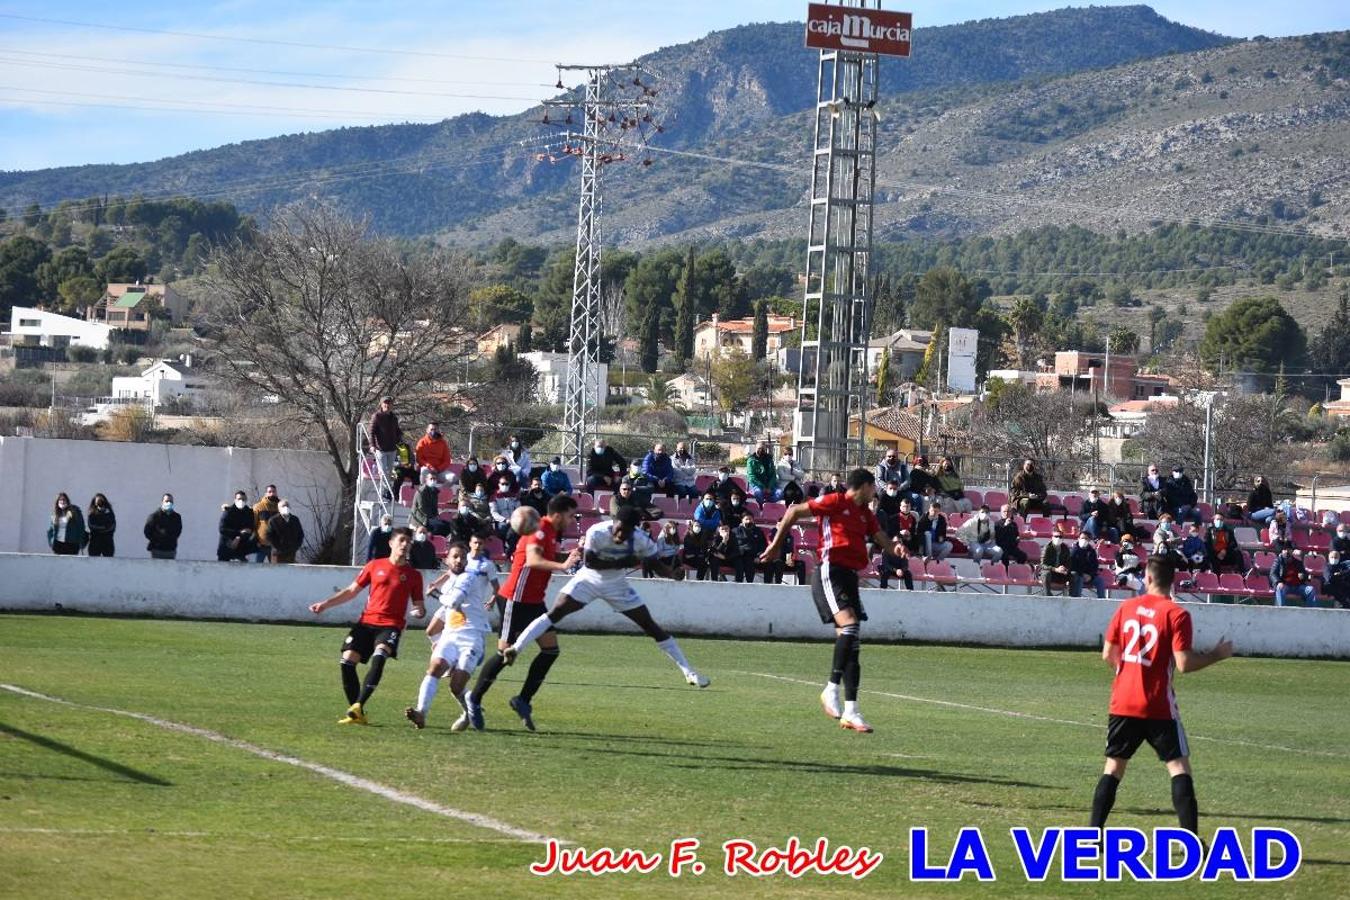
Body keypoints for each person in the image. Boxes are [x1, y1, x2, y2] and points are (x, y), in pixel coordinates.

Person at [1088, 558, 1233, 839]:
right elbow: (1184, 664)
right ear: (1172, 582)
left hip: (1123, 702)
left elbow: (1108, 654)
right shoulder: (1177, 614)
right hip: (1158, 706)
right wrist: (1217, 654)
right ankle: (1190, 841)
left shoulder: (1125, 608)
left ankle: (1093, 837)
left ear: (1148, 578)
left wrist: (1127, 672)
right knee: (1178, 767)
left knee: (1114, 767)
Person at [759, 469, 906, 734]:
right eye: (873, 488)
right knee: (849, 627)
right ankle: (830, 689)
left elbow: (880, 537)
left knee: (853, 643)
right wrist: (777, 546)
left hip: (849, 576)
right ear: (863, 486)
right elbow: (793, 512)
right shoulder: (836, 501)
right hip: (830, 570)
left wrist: (893, 547)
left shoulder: (865, 514)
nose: (876, 493)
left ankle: (851, 711)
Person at [500, 507, 709, 691]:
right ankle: (515, 649)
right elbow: (590, 563)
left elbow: (656, 565)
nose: (619, 534)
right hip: (588, 580)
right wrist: (626, 561)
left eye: (625, 532)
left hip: (616, 586)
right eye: (618, 528)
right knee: (556, 613)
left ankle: (689, 672)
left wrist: (672, 574)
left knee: (650, 625)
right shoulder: (597, 531)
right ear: (614, 522)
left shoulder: (641, 540)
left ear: (634, 530)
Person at [466, 499, 581, 731]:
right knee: (504, 654)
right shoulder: (539, 530)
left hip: (534, 601)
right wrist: (564, 565)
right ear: (557, 514)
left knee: (551, 651)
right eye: (570, 516)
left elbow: (544, 555)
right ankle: (474, 699)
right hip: (515, 600)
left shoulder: (547, 532)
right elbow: (533, 560)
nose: (571, 521)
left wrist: (566, 555)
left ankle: (523, 700)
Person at [310, 526, 425, 725]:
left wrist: (420, 612)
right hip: (366, 622)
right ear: (391, 543)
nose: (405, 545)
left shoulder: (414, 575)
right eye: (402, 541)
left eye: (408, 541)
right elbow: (352, 591)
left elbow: (419, 606)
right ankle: (358, 712)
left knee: (380, 657)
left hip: (391, 625)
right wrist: (325, 604)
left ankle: (357, 705)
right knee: (346, 662)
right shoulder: (374, 565)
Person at [404, 543, 491, 731]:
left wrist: (434, 593)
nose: (459, 560)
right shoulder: (449, 581)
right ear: (446, 560)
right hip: (450, 635)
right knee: (434, 667)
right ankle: (421, 712)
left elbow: (453, 601)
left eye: (462, 557)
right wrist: (435, 641)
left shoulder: (469, 577)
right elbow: (446, 611)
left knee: (456, 685)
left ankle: (469, 710)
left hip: (472, 636)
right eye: (455, 556)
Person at [369, 397, 402, 498]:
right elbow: (371, 432)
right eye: (385, 403)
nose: (387, 405)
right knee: (383, 472)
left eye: (389, 403)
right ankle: (385, 492)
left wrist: (399, 441)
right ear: (381, 404)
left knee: (389, 472)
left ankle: (385, 493)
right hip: (380, 449)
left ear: (392, 405)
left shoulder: (394, 418)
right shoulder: (377, 416)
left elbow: (397, 431)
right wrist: (372, 445)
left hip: (392, 449)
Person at [217, 491, 258, 562]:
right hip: (226, 547)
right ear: (235, 500)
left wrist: (239, 537)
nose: (241, 501)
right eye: (239, 499)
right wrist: (238, 533)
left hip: (241, 549)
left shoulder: (249, 512)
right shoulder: (228, 511)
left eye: (243, 499)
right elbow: (222, 529)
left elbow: (249, 529)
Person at [735, 513, 774, 584]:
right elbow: (735, 546)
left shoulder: (758, 531)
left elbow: (762, 545)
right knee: (747, 563)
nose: (748, 521)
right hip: (742, 556)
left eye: (750, 519)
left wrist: (759, 556)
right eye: (746, 519)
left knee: (769, 564)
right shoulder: (735, 531)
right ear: (742, 520)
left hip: (756, 557)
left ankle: (768, 586)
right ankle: (743, 586)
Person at [266, 499, 305, 564]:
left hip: (291, 552)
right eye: (283, 506)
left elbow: (300, 534)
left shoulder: (295, 519)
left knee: (290, 572)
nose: (286, 508)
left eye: (287, 506)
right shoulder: (273, 520)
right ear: (279, 509)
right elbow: (269, 536)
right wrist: (278, 547)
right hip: (278, 553)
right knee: (278, 572)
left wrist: (296, 546)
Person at [145, 493, 182, 560]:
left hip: (171, 550)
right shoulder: (154, 516)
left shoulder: (176, 517)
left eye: (171, 501)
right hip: (157, 549)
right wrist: (157, 540)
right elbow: (147, 531)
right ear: (162, 502)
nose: (169, 503)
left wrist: (171, 539)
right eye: (167, 501)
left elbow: (178, 531)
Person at [1069, 534, 1107, 598]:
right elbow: (1072, 566)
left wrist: (1090, 575)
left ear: (1089, 540)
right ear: (1078, 539)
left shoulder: (1091, 551)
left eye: (1086, 538)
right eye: (1082, 538)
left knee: (1100, 580)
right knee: (1079, 579)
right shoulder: (1074, 551)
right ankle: (1077, 599)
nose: (1084, 540)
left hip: (1089, 576)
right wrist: (1082, 574)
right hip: (1078, 575)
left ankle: (1102, 600)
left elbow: (1095, 565)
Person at [252, 484, 280, 563]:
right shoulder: (258, 506)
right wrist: (255, 541)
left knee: (275, 571)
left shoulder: (280, 507)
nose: (272, 493)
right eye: (269, 492)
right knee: (256, 569)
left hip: (275, 546)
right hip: (261, 545)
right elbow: (253, 525)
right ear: (266, 494)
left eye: (273, 491)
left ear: (276, 493)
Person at [1041, 526, 1072, 595]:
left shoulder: (1065, 548)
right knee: (1046, 574)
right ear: (1052, 537)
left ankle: (1073, 598)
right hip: (1051, 572)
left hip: (1061, 573)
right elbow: (1042, 565)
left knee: (1074, 575)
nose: (1058, 538)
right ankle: (1047, 595)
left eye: (1060, 537)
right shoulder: (1047, 548)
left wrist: (1066, 569)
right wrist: (1055, 569)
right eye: (1056, 536)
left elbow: (1069, 563)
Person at [86, 493, 116, 557]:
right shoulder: (92, 513)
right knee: (93, 561)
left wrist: (100, 528)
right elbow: (91, 526)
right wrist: (104, 528)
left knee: (109, 561)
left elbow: (112, 526)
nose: (100, 502)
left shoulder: (109, 513)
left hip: (108, 542)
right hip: (95, 542)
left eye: (101, 500)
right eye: (97, 501)